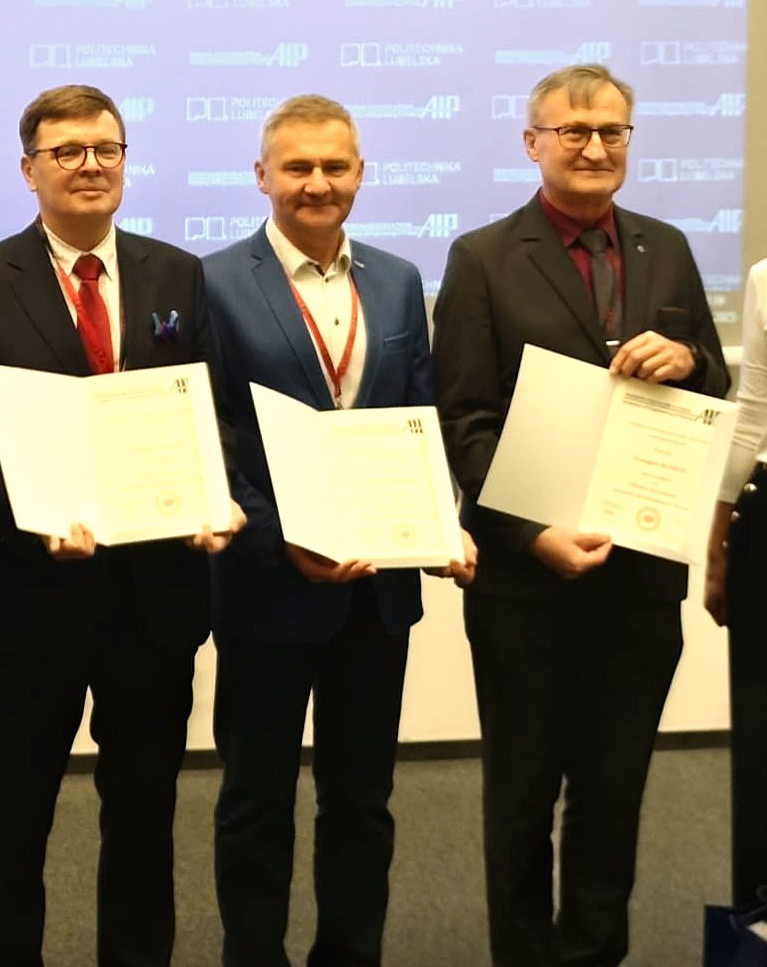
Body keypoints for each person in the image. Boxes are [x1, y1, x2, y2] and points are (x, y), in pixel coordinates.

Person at [0, 83, 242, 967]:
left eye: (106, 148)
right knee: (13, 821)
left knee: (143, 820)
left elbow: (210, 414)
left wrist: (209, 494)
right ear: (27, 169)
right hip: (27, 602)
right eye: (65, 151)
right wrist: (32, 515)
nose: (89, 165)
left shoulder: (176, 274)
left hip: (155, 601)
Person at [432, 64, 727, 967]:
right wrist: (532, 535)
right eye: (574, 131)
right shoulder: (482, 256)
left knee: (612, 793)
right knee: (521, 794)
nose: (595, 147)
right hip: (525, 581)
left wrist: (688, 358)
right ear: (533, 142)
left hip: (639, 574)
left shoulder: (666, 247)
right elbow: (464, 419)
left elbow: (715, 381)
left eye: (612, 132)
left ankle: (597, 954)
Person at [202, 96, 475, 967]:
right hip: (266, 583)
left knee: (362, 799)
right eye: (297, 167)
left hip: (376, 592)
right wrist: (276, 537)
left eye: (334, 166)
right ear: (262, 176)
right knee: (255, 797)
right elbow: (211, 435)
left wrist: (439, 523)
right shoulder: (211, 281)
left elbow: (418, 417)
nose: (316, 183)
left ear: (360, 172)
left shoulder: (396, 279)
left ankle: (349, 954)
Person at [708, 257, 767, 911]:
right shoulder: (762, 278)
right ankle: (758, 914)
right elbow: (751, 409)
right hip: (765, 517)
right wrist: (716, 545)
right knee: (760, 732)